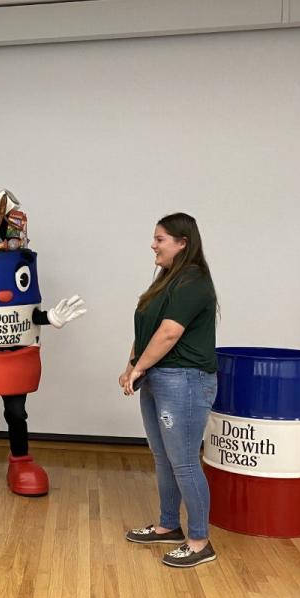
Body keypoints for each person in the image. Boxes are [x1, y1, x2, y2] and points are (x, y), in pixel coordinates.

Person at [119, 212, 218, 568]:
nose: (153, 245)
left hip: (186, 381)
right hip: (159, 377)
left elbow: (170, 333)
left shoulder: (193, 281)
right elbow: (149, 327)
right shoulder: (166, 280)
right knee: (163, 458)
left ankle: (200, 541)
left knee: (185, 462)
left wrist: (140, 366)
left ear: (182, 243)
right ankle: (168, 526)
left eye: (160, 239)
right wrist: (133, 364)